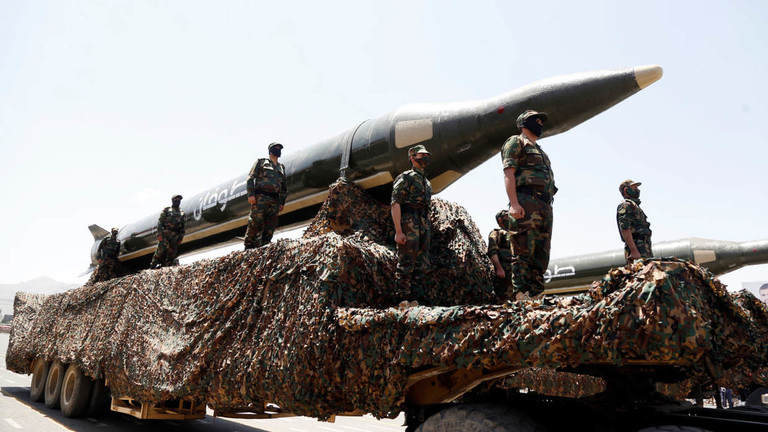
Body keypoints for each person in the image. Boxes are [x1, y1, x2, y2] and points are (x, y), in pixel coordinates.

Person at [500, 110, 556, 297]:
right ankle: (522, 296)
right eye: (535, 120)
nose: (540, 122)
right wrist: (514, 204)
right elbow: (509, 173)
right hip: (526, 201)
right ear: (524, 123)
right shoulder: (516, 142)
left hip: (544, 204)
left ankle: (537, 294)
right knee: (523, 250)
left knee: (541, 253)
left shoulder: (541, 150)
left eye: (541, 120)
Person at [391, 144, 432, 296]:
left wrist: (427, 227)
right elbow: (395, 203)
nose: (425, 159)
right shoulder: (405, 178)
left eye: (426, 156)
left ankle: (416, 301)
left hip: (423, 223)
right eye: (422, 156)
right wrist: (398, 231)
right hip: (409, 221)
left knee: (421, 265)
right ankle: (402, 300)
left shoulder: (427, 183)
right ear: (413, 158)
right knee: (406, 263)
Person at [244, 142, 287, 249]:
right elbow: (250, 178)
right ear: (270, 150)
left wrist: (282, 202)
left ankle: (264, 245)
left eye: (279, 149)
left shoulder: (281, 167)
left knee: (270, 225)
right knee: (255, 222)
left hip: (274, 201)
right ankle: (249, 246)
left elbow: (284, 187)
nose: (278, 150)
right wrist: (251, 194)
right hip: (260, 198)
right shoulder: (261, 162)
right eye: (276, 148)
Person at [616, 179, 652, 263]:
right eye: (634, 188)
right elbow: (625, 228)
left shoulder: (634, 206)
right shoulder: (625, 205)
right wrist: (634, 250)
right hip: (637, 247)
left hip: (644, 246)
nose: (637, 190)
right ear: (626, 190)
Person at [150, 194, 186, 269]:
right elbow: (160, 222)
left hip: (175, 235)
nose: (178, 201)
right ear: (173, 200)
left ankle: (168, 267)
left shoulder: (182, 213)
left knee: (172, 252)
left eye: (179, 200)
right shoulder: (166, 210)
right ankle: (152, 266)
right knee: (160, 251)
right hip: (165, 234)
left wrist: (180, 238)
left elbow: (182, 227)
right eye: (176, 199)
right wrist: (159, 234)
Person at [487, 210, 514, 301]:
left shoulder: (514, 234)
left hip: (514, 274)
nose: (510, 218)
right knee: (504, 301)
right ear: (500, 220)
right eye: (507, 216)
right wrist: (499, 268)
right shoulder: (497, 233)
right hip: (504, 274)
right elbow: (492, 252)